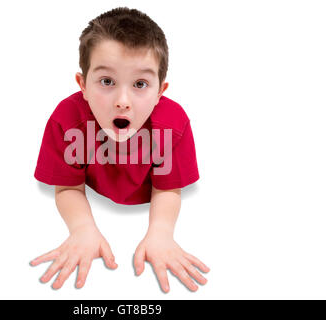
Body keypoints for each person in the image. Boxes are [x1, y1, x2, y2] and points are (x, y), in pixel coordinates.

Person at [29, 7, 210, 293]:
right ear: (83, 85)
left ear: (160, 92)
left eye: (140, 84)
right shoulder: (66, 120)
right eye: (107, 82)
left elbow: (167, 189)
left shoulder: (173, 125)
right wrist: (83, 229)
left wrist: (161, 233)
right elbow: (68, 188)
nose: (122, 101)